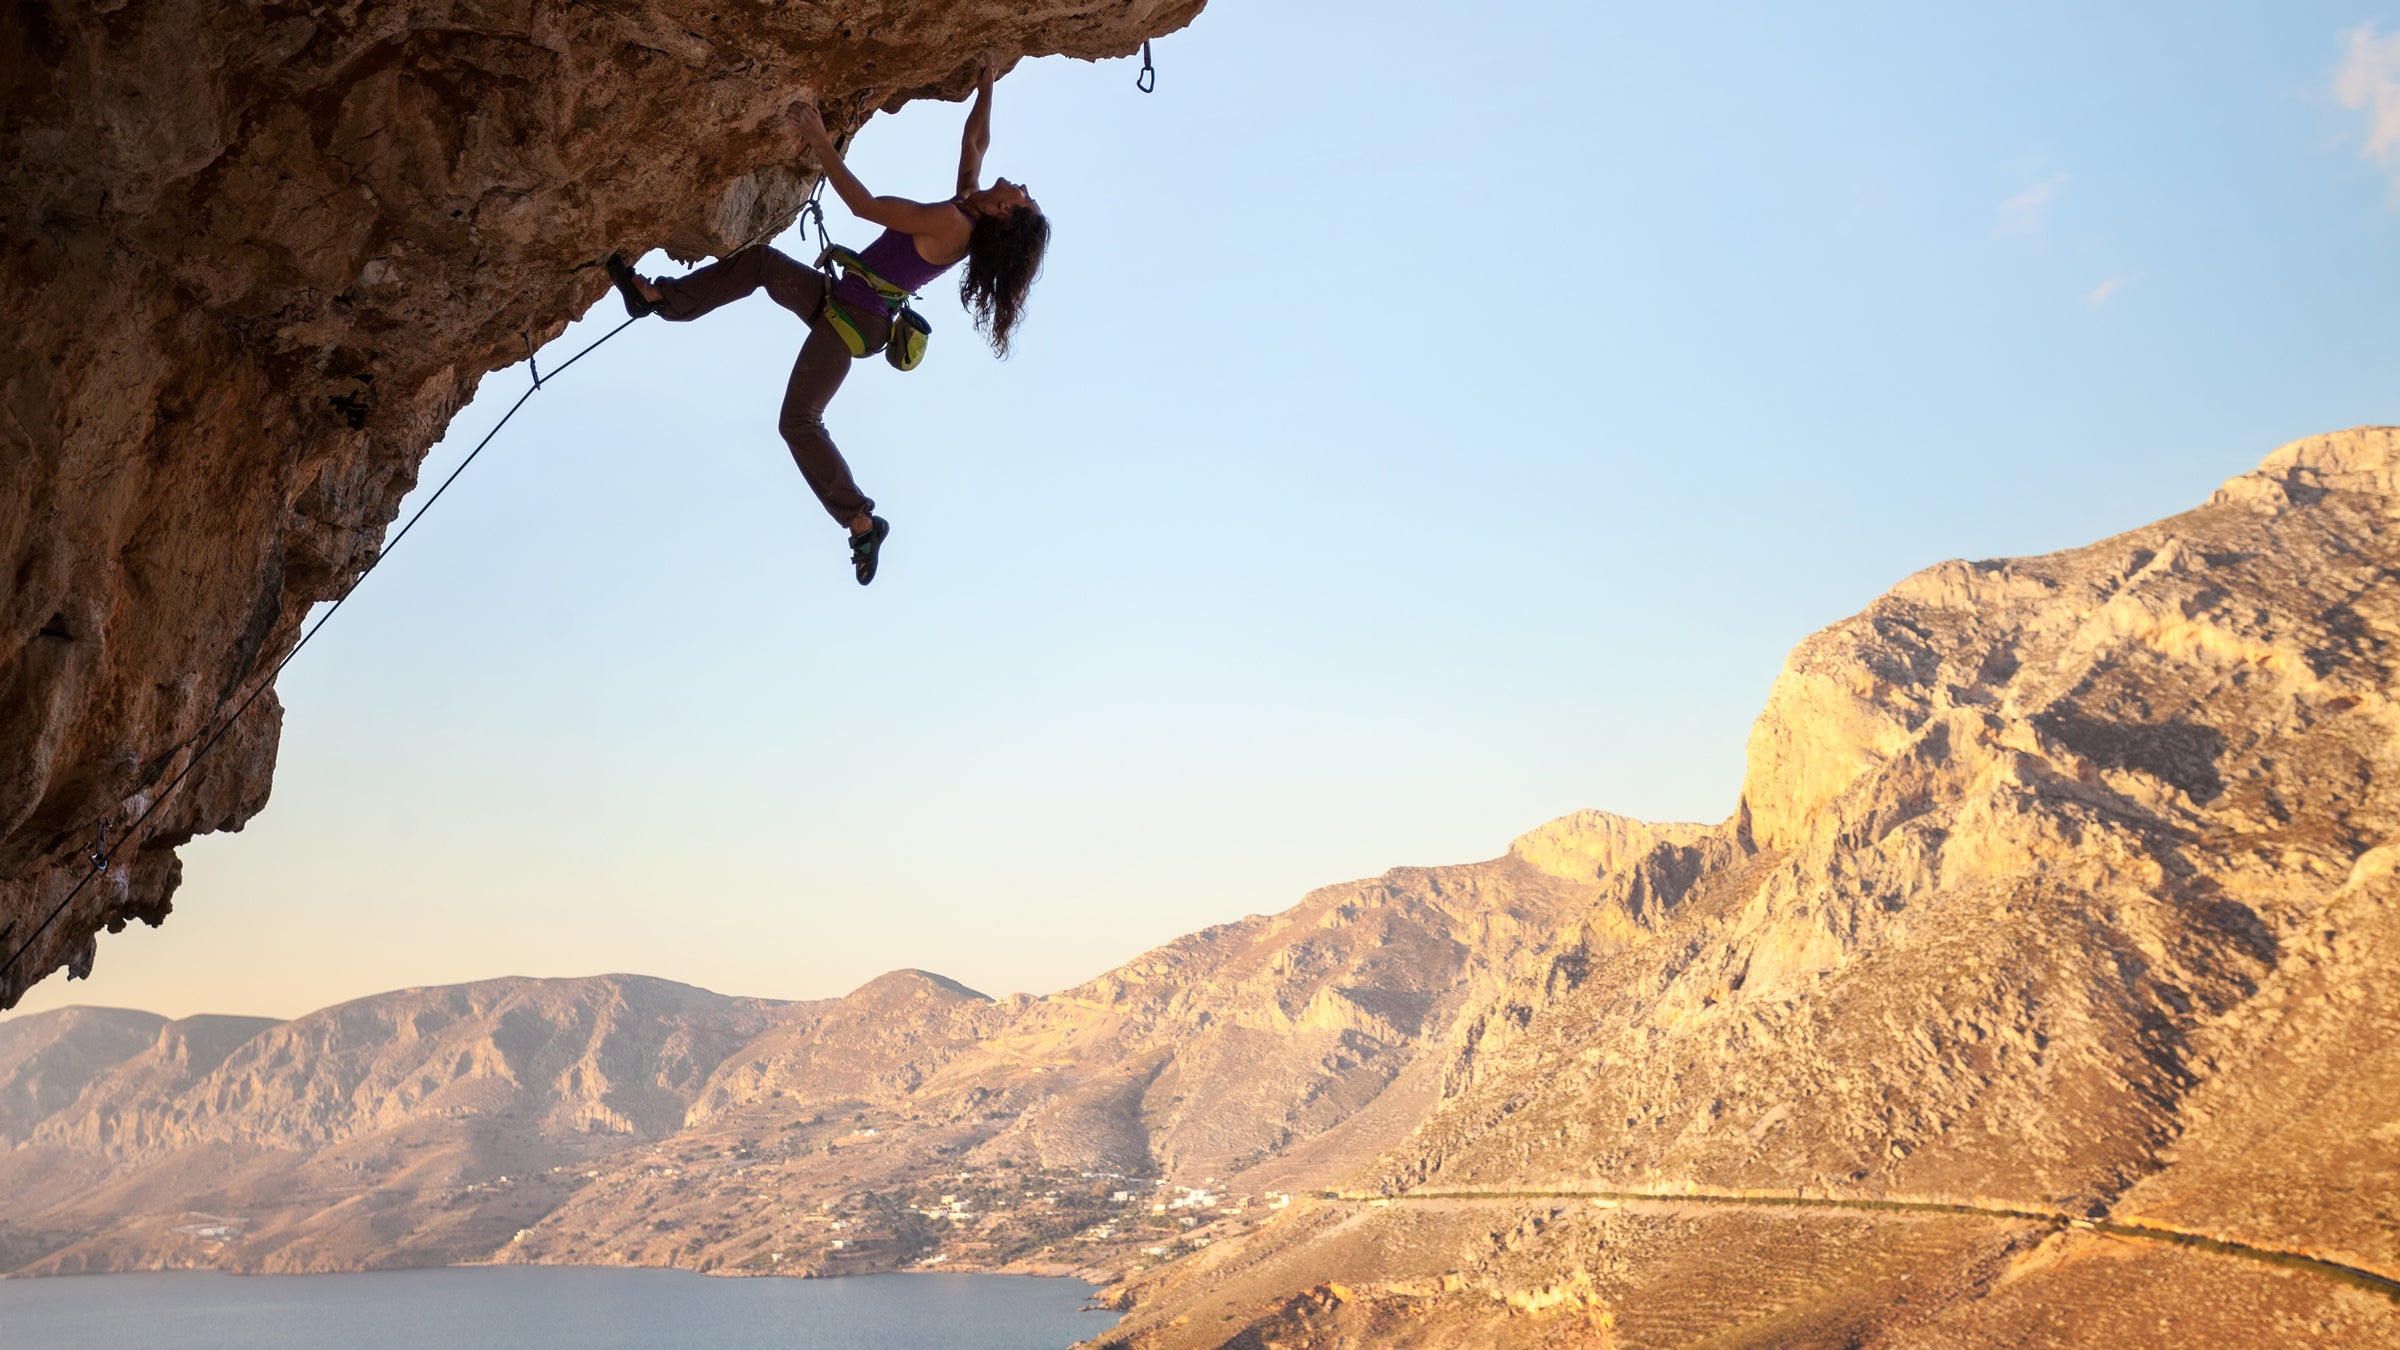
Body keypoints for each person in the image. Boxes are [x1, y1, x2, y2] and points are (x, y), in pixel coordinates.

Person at [606, 57, 1051, 585]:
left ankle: (861, 520)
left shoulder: (951, 221)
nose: (1022, 187)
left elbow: (864, 206)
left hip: (853, 322)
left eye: (1026, 198)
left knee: (797, 421)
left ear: (1007, 213)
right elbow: (974, 145)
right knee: (761, 264)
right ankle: (659, 299)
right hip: (844, 301)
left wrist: (820, 140)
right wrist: (986, 89)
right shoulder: (969, 208)